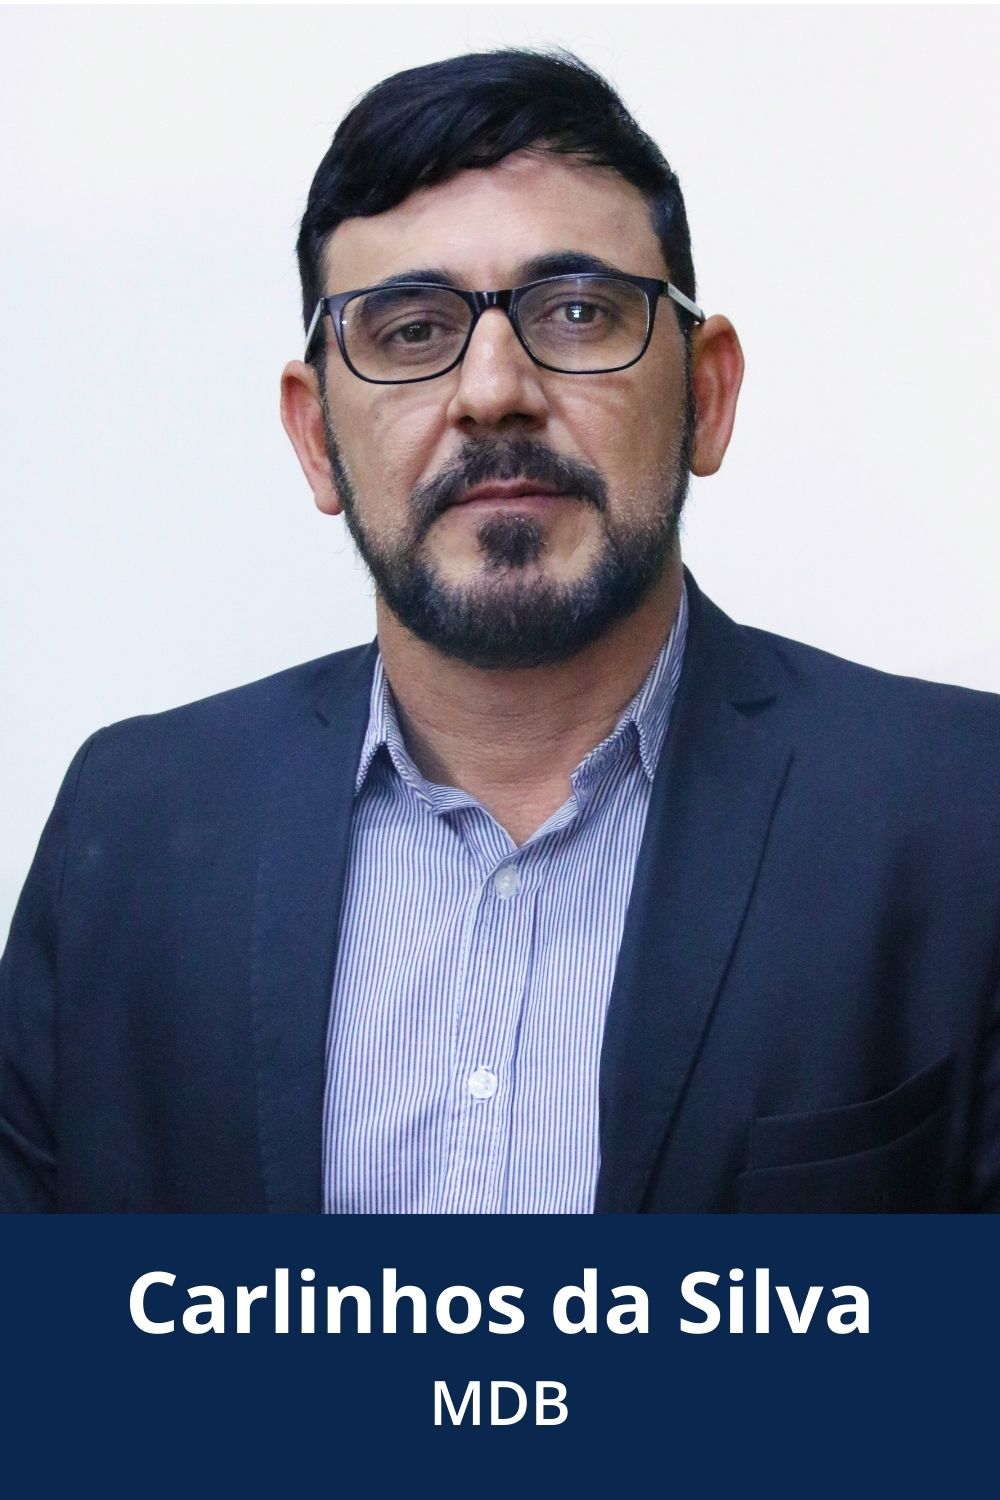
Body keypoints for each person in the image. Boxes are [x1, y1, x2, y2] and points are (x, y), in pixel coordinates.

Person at [1, 49, 998, 1215]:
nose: (492, 392)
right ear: (316, 439)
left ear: (706, 394)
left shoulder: (962, 815)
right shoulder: (125, 827)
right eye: (410, 330)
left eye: (575, 313)